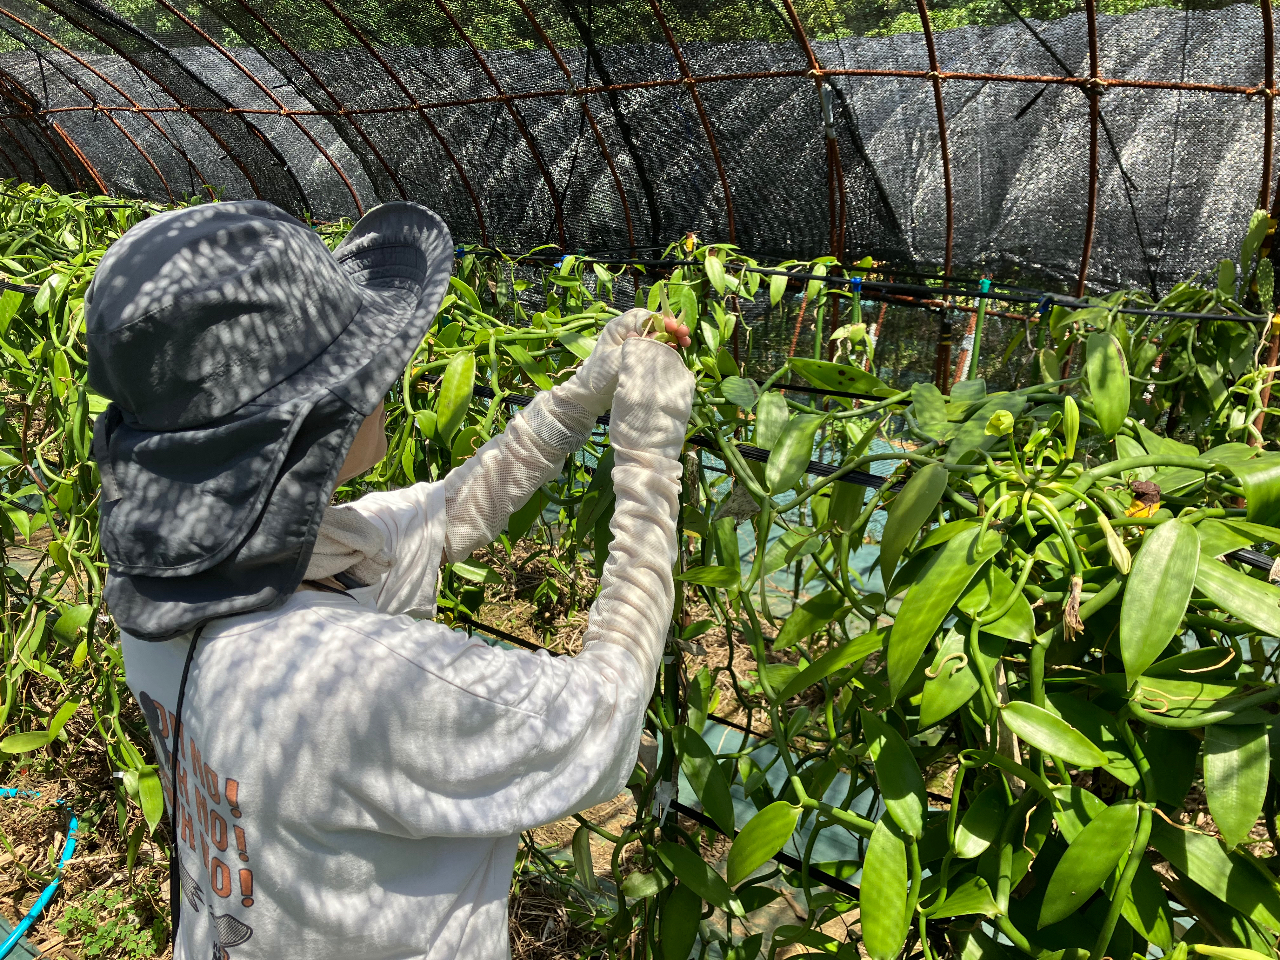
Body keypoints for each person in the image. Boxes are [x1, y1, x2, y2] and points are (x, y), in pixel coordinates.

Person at [86, 200, 695, 960]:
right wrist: (649, 458)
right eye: (363, 363)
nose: (386, 374)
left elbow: (447, 513)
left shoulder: (169, 585)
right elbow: (605, 716)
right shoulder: (349, 679)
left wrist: (584, 394)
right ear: (312, 421)